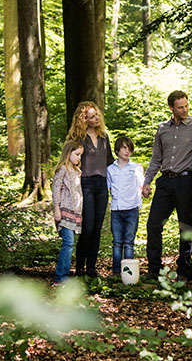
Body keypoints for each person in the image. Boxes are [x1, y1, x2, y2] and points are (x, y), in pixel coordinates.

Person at [142, 90, 192, 281]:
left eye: (186, 105)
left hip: (186, 181)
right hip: (165, 182)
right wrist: (146, 182)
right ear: (171, 108)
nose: (184, 109)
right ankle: (154, 269)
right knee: (153, 224)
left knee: (185, 226)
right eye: (180, 107)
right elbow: (156, 158)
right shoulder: (162, 129)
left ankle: (184, 270)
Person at [65, 101, 114, 278]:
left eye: (97, 115)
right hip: (85, 184)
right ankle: (79, 268)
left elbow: (110, 161)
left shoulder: (103, 137)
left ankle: (91, 268)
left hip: (101, 185)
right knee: (87, 227)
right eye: (92, 116)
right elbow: (69, 162)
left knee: (97, 227)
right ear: (83, 119)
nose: (97, 118)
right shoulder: (77, 139)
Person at [106, 136, 144, 276]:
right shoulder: (110, 169)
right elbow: (107, 188)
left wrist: (146, 191)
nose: (127, 151)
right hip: (116, 209)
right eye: (124, 148)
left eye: (129, 148)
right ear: (117, 150)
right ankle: (116, 273)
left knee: (129, 242)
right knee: (117, 242)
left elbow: (142, 186)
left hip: (132, 209)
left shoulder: (135, 168)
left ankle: (127, 274)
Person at [52, 141, 84, 285]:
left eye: (80, 155)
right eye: (77, 154)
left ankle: (64, 275)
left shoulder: (77, 172)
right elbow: (56, 190)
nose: (79, 158)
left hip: (75, 213)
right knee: (68, 243)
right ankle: (60, 278)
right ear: (68, 153)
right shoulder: (63, 169)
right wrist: (56, 209)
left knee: (70, 244)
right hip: (64, 212)